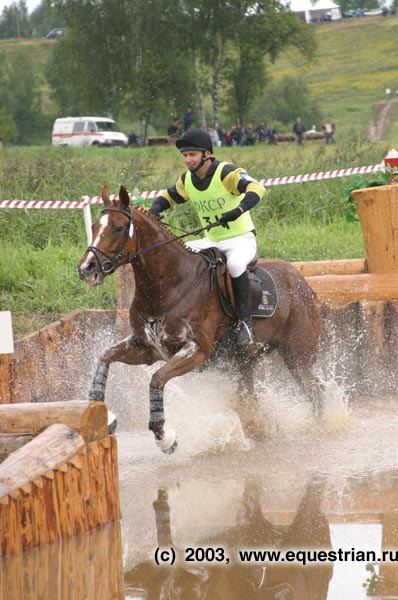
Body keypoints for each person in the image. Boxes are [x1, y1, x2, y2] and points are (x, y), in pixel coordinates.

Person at [149, 128, 265, 347]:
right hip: (211, 240)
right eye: (184, 155)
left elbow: (257, 188)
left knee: (235, 265)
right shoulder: (188, 180)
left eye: (192, 154)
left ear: (207, 154)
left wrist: (239, 210)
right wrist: (154, 210)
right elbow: (167, 196)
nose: (187, 160)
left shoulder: (226, 173)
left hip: (240, 239)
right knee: (176, 256)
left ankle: (244, 324)